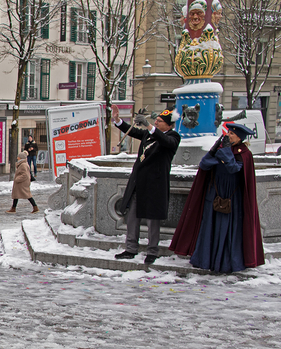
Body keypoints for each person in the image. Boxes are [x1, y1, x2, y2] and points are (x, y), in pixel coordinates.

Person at [170, 123, 265, 272]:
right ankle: (205, 259)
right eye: (228, 133)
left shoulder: (244, 153)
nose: (228, 136)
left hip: (232, 197)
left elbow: (233, 168)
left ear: (240, 137)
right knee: (209, 225)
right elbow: (205, 164)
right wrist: (214, 150)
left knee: (228, 228)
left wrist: (226, 152)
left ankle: (227, 262)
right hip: (214, 194)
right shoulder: (221, 150)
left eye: (232, 134)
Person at [112, 106, 181, 264]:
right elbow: (133, 131)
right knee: (132, 217)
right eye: (156, 120)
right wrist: (117, 120)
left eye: (160, 121)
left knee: (152, 220)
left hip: (155, 185)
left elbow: (165, 141)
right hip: (139, 182)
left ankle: (152, 251)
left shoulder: (173, 136)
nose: (156, 122)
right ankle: (130, 248)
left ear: (169, 125)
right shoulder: (148, 135)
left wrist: (149, 126)